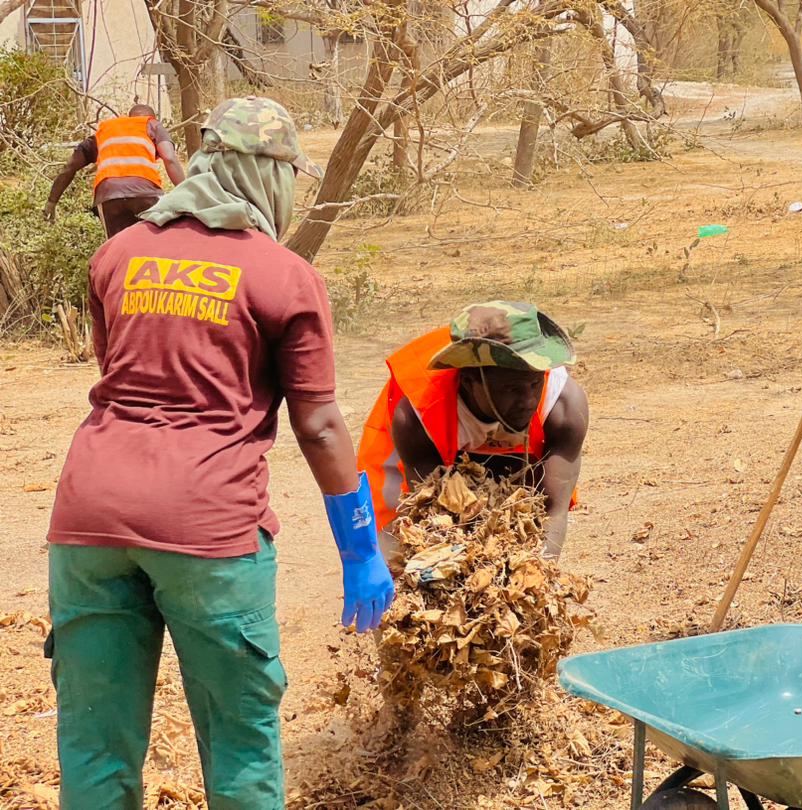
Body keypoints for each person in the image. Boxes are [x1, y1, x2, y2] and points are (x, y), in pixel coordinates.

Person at [46, 96, 394, 809]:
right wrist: (359, 548)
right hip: (207, 532)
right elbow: (320, 424)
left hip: (87, 525)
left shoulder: (117, 254)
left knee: (95, 743)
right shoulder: (282, 274)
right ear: (267, 176)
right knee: (240, 740)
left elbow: (114, 370)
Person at [358, 301, 588, 560]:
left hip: (515, 457)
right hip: (422, 457)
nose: (528, 401)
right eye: (512, 390)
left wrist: (535, 570)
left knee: (524, 528)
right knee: (396, 549)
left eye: (535, 384)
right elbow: (432, 514)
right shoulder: (417, 413)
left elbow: (553, 510)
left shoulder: (563, 405)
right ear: (469, 382)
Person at [43, 104, 186, 237]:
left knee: (116, 248)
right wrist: (190, 195)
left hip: (109, 197)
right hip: (145, 194)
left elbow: (70, 166)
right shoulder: (152, 124)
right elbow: (169, 158)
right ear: (151, 117)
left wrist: (51, 202)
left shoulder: (105, 131)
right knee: (152, 247)